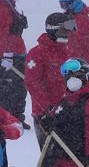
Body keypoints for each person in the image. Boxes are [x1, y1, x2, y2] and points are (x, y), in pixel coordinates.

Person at [25, 12, 76, 149]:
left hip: (66, 112)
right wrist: (47, 110)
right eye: (63, 30)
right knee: (50, 156)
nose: (68, 33)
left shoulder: (67, 52)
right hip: (46, 115)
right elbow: (33, 83)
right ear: (53, 29)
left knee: (68, 156)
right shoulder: (37, 53)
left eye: (69, 30)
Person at [0, 0, 29, 127]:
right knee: (7, 89)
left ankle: (17, 116)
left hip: (18, 53)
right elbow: (1, 34)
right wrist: (7, 56)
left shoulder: (10, 7)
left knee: (19, 87)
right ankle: (5, 119)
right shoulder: (1, 10)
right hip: (7, 57)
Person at [59, 0, 89, 74]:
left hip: (85, 63)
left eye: (65, 5)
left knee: (74, 86)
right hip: (78, 61)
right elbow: (64, 35)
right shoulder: (73, 16)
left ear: (74, 2)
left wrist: (67, 62)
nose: (64, 8)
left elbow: (76, 45)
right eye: (62, 5)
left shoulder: (81, 20)